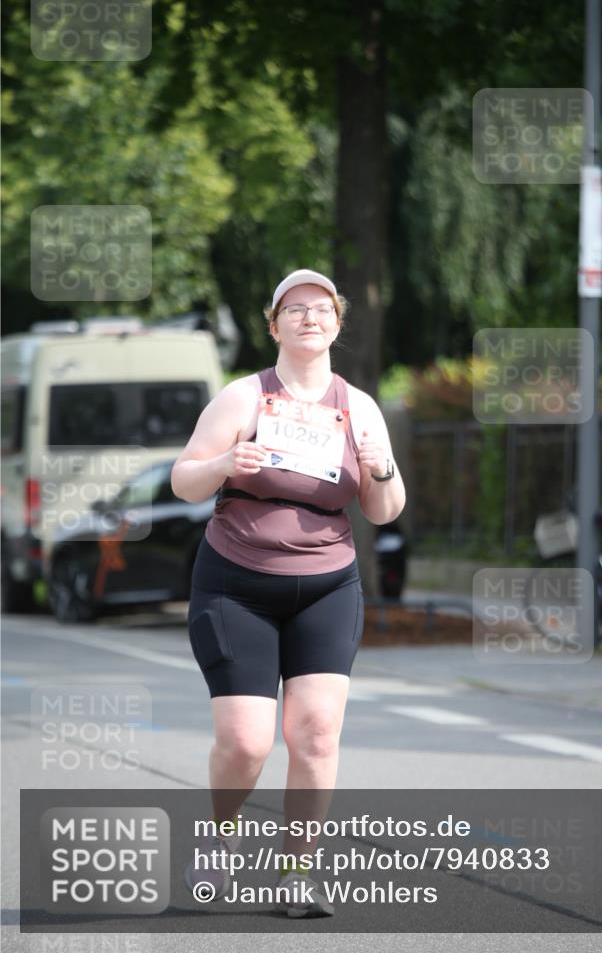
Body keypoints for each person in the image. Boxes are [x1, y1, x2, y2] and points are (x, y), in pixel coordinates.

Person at [171, 269, 406, 917]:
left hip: (327, 587)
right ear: (273, 325)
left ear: (337, 322)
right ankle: (221, 837)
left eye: (321, 308)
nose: (309, 317)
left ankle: (296, 875)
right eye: (294, 309)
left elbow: (384, 509)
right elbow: (183, 480)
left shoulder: (357, 405)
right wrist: (222, 465)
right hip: (235, 585)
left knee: (316, 736)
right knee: (248, 741)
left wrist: (380, 463)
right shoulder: (242, 398)